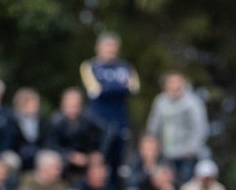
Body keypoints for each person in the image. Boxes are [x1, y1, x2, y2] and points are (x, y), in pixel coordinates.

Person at [78, 32, 139, 165]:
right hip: (98, 122)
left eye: (113, 46)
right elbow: (94, 91)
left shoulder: (126, 67)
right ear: (98, 47)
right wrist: (121, 87)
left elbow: (134, 89)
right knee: (98, 162)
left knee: (119, 163)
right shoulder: (89, 66)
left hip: (121, 120)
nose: (110, 49)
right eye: (107, 45)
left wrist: (107, 87)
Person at [144, 71, 208, 178]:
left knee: (184, 185)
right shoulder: (160, 101)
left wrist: (192, 149)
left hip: (186, 155)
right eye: (171, 83)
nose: (174, 86)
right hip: (166, 154)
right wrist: (152, 144)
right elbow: (154, 125)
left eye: (177, 82)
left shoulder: (192, 102)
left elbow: (200, 127)